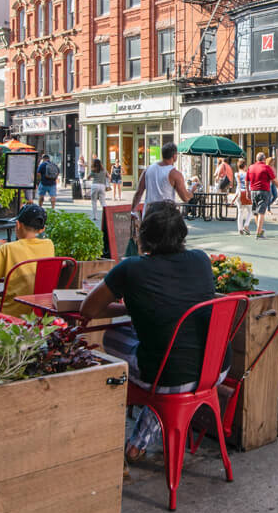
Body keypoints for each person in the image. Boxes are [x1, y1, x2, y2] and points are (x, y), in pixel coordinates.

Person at [81, 203, 223, 460]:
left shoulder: (131, 268)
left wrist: (131, 309)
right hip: (215, 369)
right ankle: (138, 443)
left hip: (169, 376)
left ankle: (107, 415)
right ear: (182, 234)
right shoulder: (201, 259)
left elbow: (88, 308)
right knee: (170, 353)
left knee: (113, 337)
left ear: (143, 234)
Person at [0, 203, 57, 315]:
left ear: (17, 225)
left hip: (11, 311)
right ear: (42, 229)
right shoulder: (49, 244)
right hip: (40, 311)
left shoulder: (8, 248)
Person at [131, 142, 190, 215]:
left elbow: (139, 193)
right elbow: (185, 198)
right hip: (166, 216)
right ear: (174, 156)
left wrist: (132, 211)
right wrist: (192, 191)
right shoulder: (175, 174)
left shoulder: (148, 169)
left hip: (148, 215)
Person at [246, 150, 276, 238]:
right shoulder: (266, 167)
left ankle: (260, 229)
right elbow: (274, 179)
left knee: (256, 212)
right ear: (264, 159)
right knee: (261, 212)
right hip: (264, 191)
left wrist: (247, 191)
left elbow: (247, 180)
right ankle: (258, 233)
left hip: (253, 191)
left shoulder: (251, 167)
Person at [86, 158, 109, 228]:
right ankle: (106, 215)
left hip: (95, 185)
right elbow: (108, 176)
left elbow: (88, 178)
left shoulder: (94, 170)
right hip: (102, 186)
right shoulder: (104, 170)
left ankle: (95, 216)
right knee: (103, 201)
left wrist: (91, 175)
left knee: (94, 201)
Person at [234, 159, 252, 234]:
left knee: (240, 211)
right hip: (246, 192)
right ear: (245, 166)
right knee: (250, 211)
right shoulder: (248, 174)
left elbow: (238, 184)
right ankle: (246, 224)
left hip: (239, 193)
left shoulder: (236, 174)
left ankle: (240, 228)